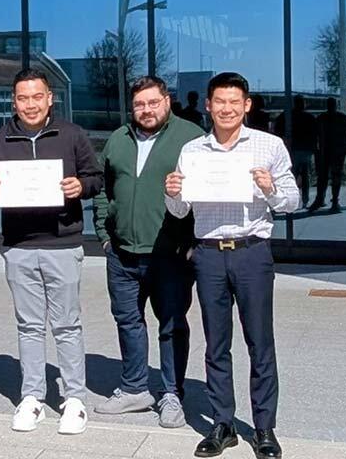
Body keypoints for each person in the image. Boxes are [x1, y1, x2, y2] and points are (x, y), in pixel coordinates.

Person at [164, 72, 298, 459]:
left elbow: (292, 201)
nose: (226, 108)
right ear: (208, 105)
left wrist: (270, 188)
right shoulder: (193, 151)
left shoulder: (268, 146)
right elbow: (180, 209)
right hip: (207, 253)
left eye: (233, 101)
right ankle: (222, 423)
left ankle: (264, 428)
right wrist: (172, 193)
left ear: (247, 105)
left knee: (260, 342)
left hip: (252, 251)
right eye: (219, 101)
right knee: (215, 343)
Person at [0, 69, 103, 436]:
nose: (30, 104)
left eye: (37, 97)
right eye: (22, 98)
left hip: (63, 243)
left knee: (67, 325)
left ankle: (74, 399)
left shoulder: (71, 135)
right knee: (29, 326)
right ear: (13, 102)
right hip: (18, 246)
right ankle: (32, 396)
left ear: (50, 98)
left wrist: (80, 185)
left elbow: (97, 178)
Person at [94, 76, 204, 429]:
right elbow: (103, 188)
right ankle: (134, 388)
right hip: (122, 252)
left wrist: (192, 242)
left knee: (171, 325)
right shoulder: (118, 139)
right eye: (139, 104)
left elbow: (205, 194)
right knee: (128, 321)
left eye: (153, 102)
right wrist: (104, 234)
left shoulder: (191, 138)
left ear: (167, 101)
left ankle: (172, 392)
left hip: (169, 253)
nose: (146, 110)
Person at [272, 95, 317, 206]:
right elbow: (315, 133)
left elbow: (277, 129)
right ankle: (305, 200)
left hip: (292, 148)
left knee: (292, 175)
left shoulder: (286, 116)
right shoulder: (309, 117)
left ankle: (291, 199)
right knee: (305, 176)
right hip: (305, 148)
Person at [311, 97, 346, 212]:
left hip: (331, 151)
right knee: (329, 176)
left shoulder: (323, 117)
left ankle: (330, 200)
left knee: (329, 176)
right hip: (330, 151)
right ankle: (326, 200)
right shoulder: (341, 117)